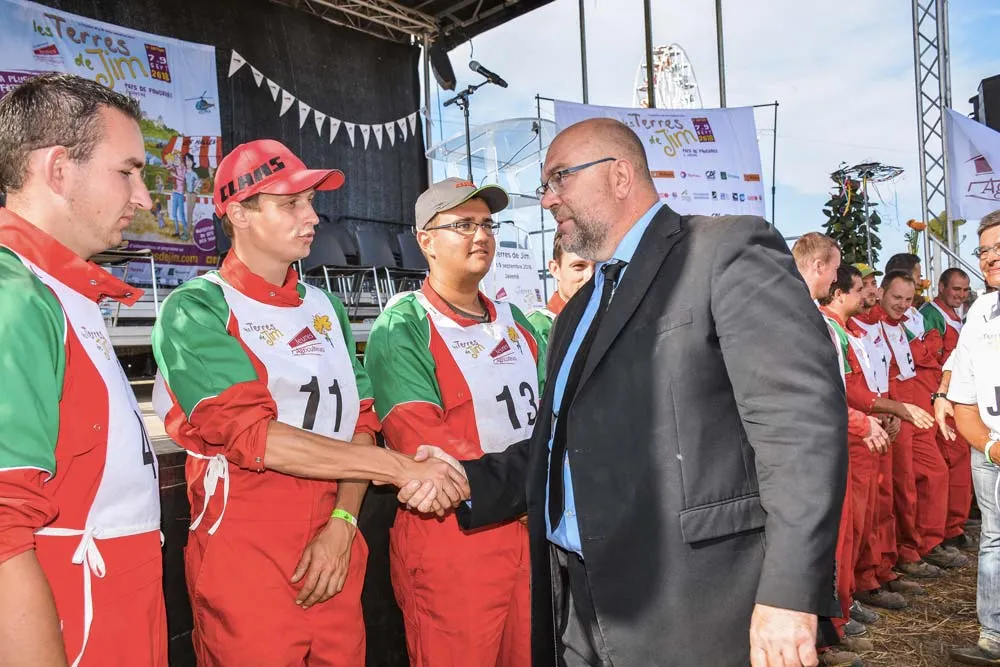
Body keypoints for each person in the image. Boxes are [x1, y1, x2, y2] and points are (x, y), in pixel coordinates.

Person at [402, 118, 847, 666]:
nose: (548, 199)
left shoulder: (724, 250)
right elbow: (559, 448)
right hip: (581, 608)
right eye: (545, 184)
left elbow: (798, 426)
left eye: (560, 178)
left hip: (694, 609)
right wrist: (462, 480)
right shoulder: (578, 310)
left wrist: (788, 594)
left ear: (619, 175)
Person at [150, 140, 468, 666]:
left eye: (311, 201)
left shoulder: (325, 306)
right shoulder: (196, 308)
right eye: (290, 203)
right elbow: (253, 437)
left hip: (335, 539)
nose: (312, 217)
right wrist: (399, 468)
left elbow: (362, 420)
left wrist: (343, 522)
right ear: (238, 213)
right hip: (246, 549)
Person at [0, 73, 167, 666]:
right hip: (74, 622)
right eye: (127, 172)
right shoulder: (14, 295)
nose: (144, 199)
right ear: (57, 170)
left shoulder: (61, 290)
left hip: (113, 610)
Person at [365, 178, 544, 667]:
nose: (480, 235)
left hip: (528, 531)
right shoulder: (403, 325)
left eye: (486, 224)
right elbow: (424, 444)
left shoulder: (518, 320)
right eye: (463, 225)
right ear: (426, 240)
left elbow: (554, 415)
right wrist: (528, 492)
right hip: (455, 540)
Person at [947, 210, 1000, 665]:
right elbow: (962, 397)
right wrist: (990, 446)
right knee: (994, 539)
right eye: (984, 250)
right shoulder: (980, 311)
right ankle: (993, 638)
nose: (990, 258)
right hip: (989, 450)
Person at [922, 268, 975, 552]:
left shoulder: (958, 315)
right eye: (956, 289)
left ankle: (956, 524)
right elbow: (931, 362)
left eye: (965, 290)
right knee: (951, 464)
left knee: (960, 465)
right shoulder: (932, 316)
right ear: (941, 287)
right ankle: (948, 529)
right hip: (944, 401)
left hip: (959, 400)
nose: (961, 295)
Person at [528, 231, 594, 346]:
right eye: (579, 266)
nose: (590, 276)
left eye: (598, 267)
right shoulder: (536, 328)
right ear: (555, 269)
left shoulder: (609, 320)